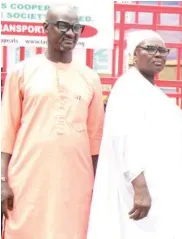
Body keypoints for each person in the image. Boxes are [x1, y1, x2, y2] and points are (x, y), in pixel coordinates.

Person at [86, 30, 182, 239]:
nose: (158, 54)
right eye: (150, 48)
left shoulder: (148, 88)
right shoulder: (127, 87)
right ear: (134, 54)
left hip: (161, 183)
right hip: (142, 186)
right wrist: (139, 186)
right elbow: (124, 138)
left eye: (162, 50)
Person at [1, 4, 104, 239]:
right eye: (63, 26)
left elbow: (95, 137)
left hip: (76, 180)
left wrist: (99, 185)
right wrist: (2, 180)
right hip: (28, 177)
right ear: (46, 29)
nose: (71, 33)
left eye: (76, 27)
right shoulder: (21, 72)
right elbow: (6, 131)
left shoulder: (90, 78)